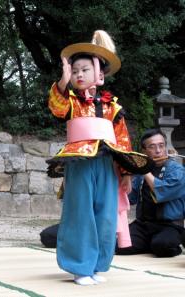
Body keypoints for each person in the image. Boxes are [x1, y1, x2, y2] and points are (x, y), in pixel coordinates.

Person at [47, 30, 152, 286]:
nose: (79, 75)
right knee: (80, 214)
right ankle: (79, 266)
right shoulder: (70, 101)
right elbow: (56, 107)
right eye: (75, 71)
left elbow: (122, 140)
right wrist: (62, 81)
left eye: (84, 69)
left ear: (100, 75)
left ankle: (96, 264)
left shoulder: (112, 107)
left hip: (107, 164)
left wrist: (125, 174)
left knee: (105, 215)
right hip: (79, 163)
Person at [116, 129, 185, 257]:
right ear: (144, 151)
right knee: (120, 246)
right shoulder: (141, 171)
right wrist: (126, 175)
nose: (158, 151)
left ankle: (166, 244)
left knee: (162, 246)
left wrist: (144, 170)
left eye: (161, 145)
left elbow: (164, 191)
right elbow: (130, 198)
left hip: (169, 225)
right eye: (152, 147)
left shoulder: (177, 170)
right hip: (144, 225)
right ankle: (149, 243)